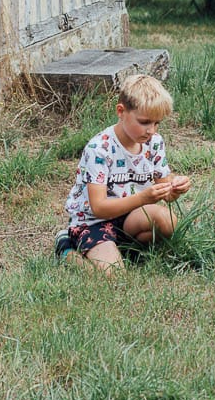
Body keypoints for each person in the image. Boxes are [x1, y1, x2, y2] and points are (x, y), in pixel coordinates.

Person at [56, 74, 191, 272]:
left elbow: (167, 191)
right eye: (144, 122)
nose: (151, 130)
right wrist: (143, 198)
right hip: (94, 222)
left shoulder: (154, 143)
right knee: (112, 274)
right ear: (121, 111)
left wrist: (175, 187)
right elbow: (99, 208)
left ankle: (121, 248)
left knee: (167, 221)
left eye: (157, 123)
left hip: (131, 217)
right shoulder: (100, 149)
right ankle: (66, 250)